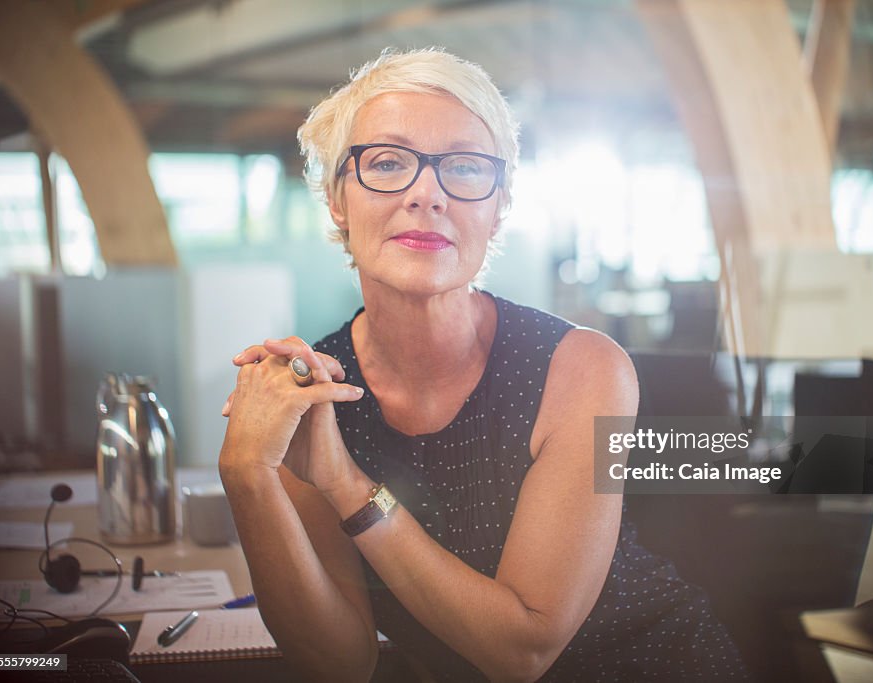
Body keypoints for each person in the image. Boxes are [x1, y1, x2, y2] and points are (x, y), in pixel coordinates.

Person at [219, 48, 747, 682]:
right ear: (337, 199)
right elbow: (341, 663)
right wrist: (248, 474)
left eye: (465, 168)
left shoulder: (582, 370)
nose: (427, 194)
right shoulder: (314, 391)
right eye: (387, 162)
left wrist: (346, 485)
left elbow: (523, 652)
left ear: (498, 209)